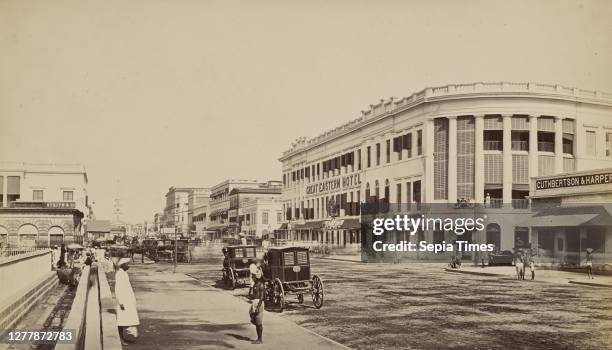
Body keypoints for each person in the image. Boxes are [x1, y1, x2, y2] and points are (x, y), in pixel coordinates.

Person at [115, 258, 140, 345]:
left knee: (126, 318)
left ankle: (125, 335)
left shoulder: (124, 273)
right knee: (121, 321)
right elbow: (117, 289)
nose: (128, 266)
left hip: (127, 300)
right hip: (123, 301)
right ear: (123, 265)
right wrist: (120, 302)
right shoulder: (119, 274)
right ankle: (121, 339)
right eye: (127, 264)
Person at [249, 278, 265, 344]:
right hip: (254, 302)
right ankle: (259, 338)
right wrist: (251, 288)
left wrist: (258, 307)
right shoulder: (254, 284)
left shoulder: (260, 285)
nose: (252, 278)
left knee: (258, 322)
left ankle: (260, 339)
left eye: (253, 277)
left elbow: (261, 297)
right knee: (252, 317)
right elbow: (250, 295)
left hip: (259, 303)